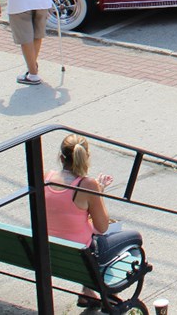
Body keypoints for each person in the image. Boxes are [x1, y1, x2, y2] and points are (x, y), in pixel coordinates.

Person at [44, 133, 141, 310]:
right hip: (83, 253)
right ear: (86, 157)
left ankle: (87, 293)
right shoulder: (88, 185)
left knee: (90, 244)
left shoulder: (46, 177)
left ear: (61, 157)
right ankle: (109, 293)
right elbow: (102, 227)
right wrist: (99, 192)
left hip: (50, 251)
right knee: (133, 238)